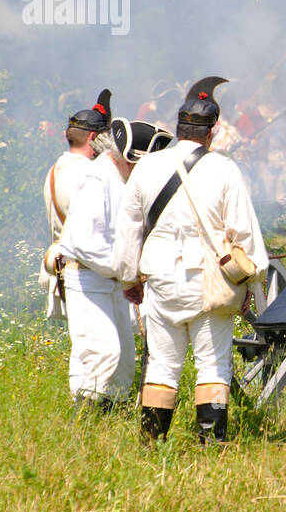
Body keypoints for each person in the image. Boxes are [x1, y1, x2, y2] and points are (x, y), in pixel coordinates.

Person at [113, 77, 266, 445]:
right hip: (211, 281)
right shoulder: (224, 169)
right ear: (212, 131)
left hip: (160, 280)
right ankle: (211, 444)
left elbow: (128, 230)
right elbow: (244, 236)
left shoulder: (146, 167)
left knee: (162, 367)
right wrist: (250, 284)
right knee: (213, 366)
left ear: (179, 126)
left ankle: (152, 445)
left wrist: (128, 279)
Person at [56, 118, 173, 412]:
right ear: (128, 158)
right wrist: (130, 270)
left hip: (112, 280)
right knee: (103, 353)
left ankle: (109, 425)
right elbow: (86, 243)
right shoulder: (98, 179)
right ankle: (81, 427)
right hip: (88, 278)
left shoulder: (121, 178)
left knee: (122, 365)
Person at [40, 89, 111, 320]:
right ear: (93, 138)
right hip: (86, 271)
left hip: (70, 267)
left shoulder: (56, 168)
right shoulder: (88, 174)